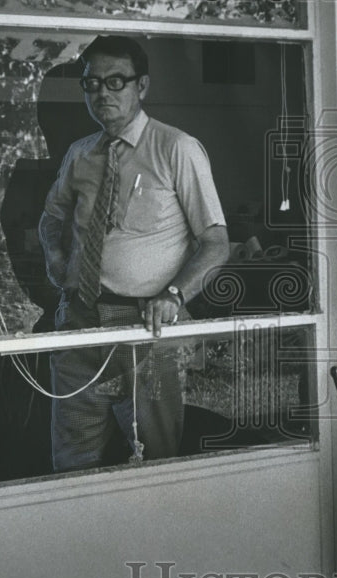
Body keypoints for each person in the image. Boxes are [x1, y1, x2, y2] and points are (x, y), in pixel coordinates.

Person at [38, 36, 229, 471]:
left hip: (145, 329)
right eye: (92, 84)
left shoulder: (176, 148)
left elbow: (215, 241)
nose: (102, 93)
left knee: (156, 460)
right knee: (71, 460)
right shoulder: (80, 153)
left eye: (116, 81)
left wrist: (175, 296)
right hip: (80, 323)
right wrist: (56, 260)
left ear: (141, 86)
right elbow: (51, 218)